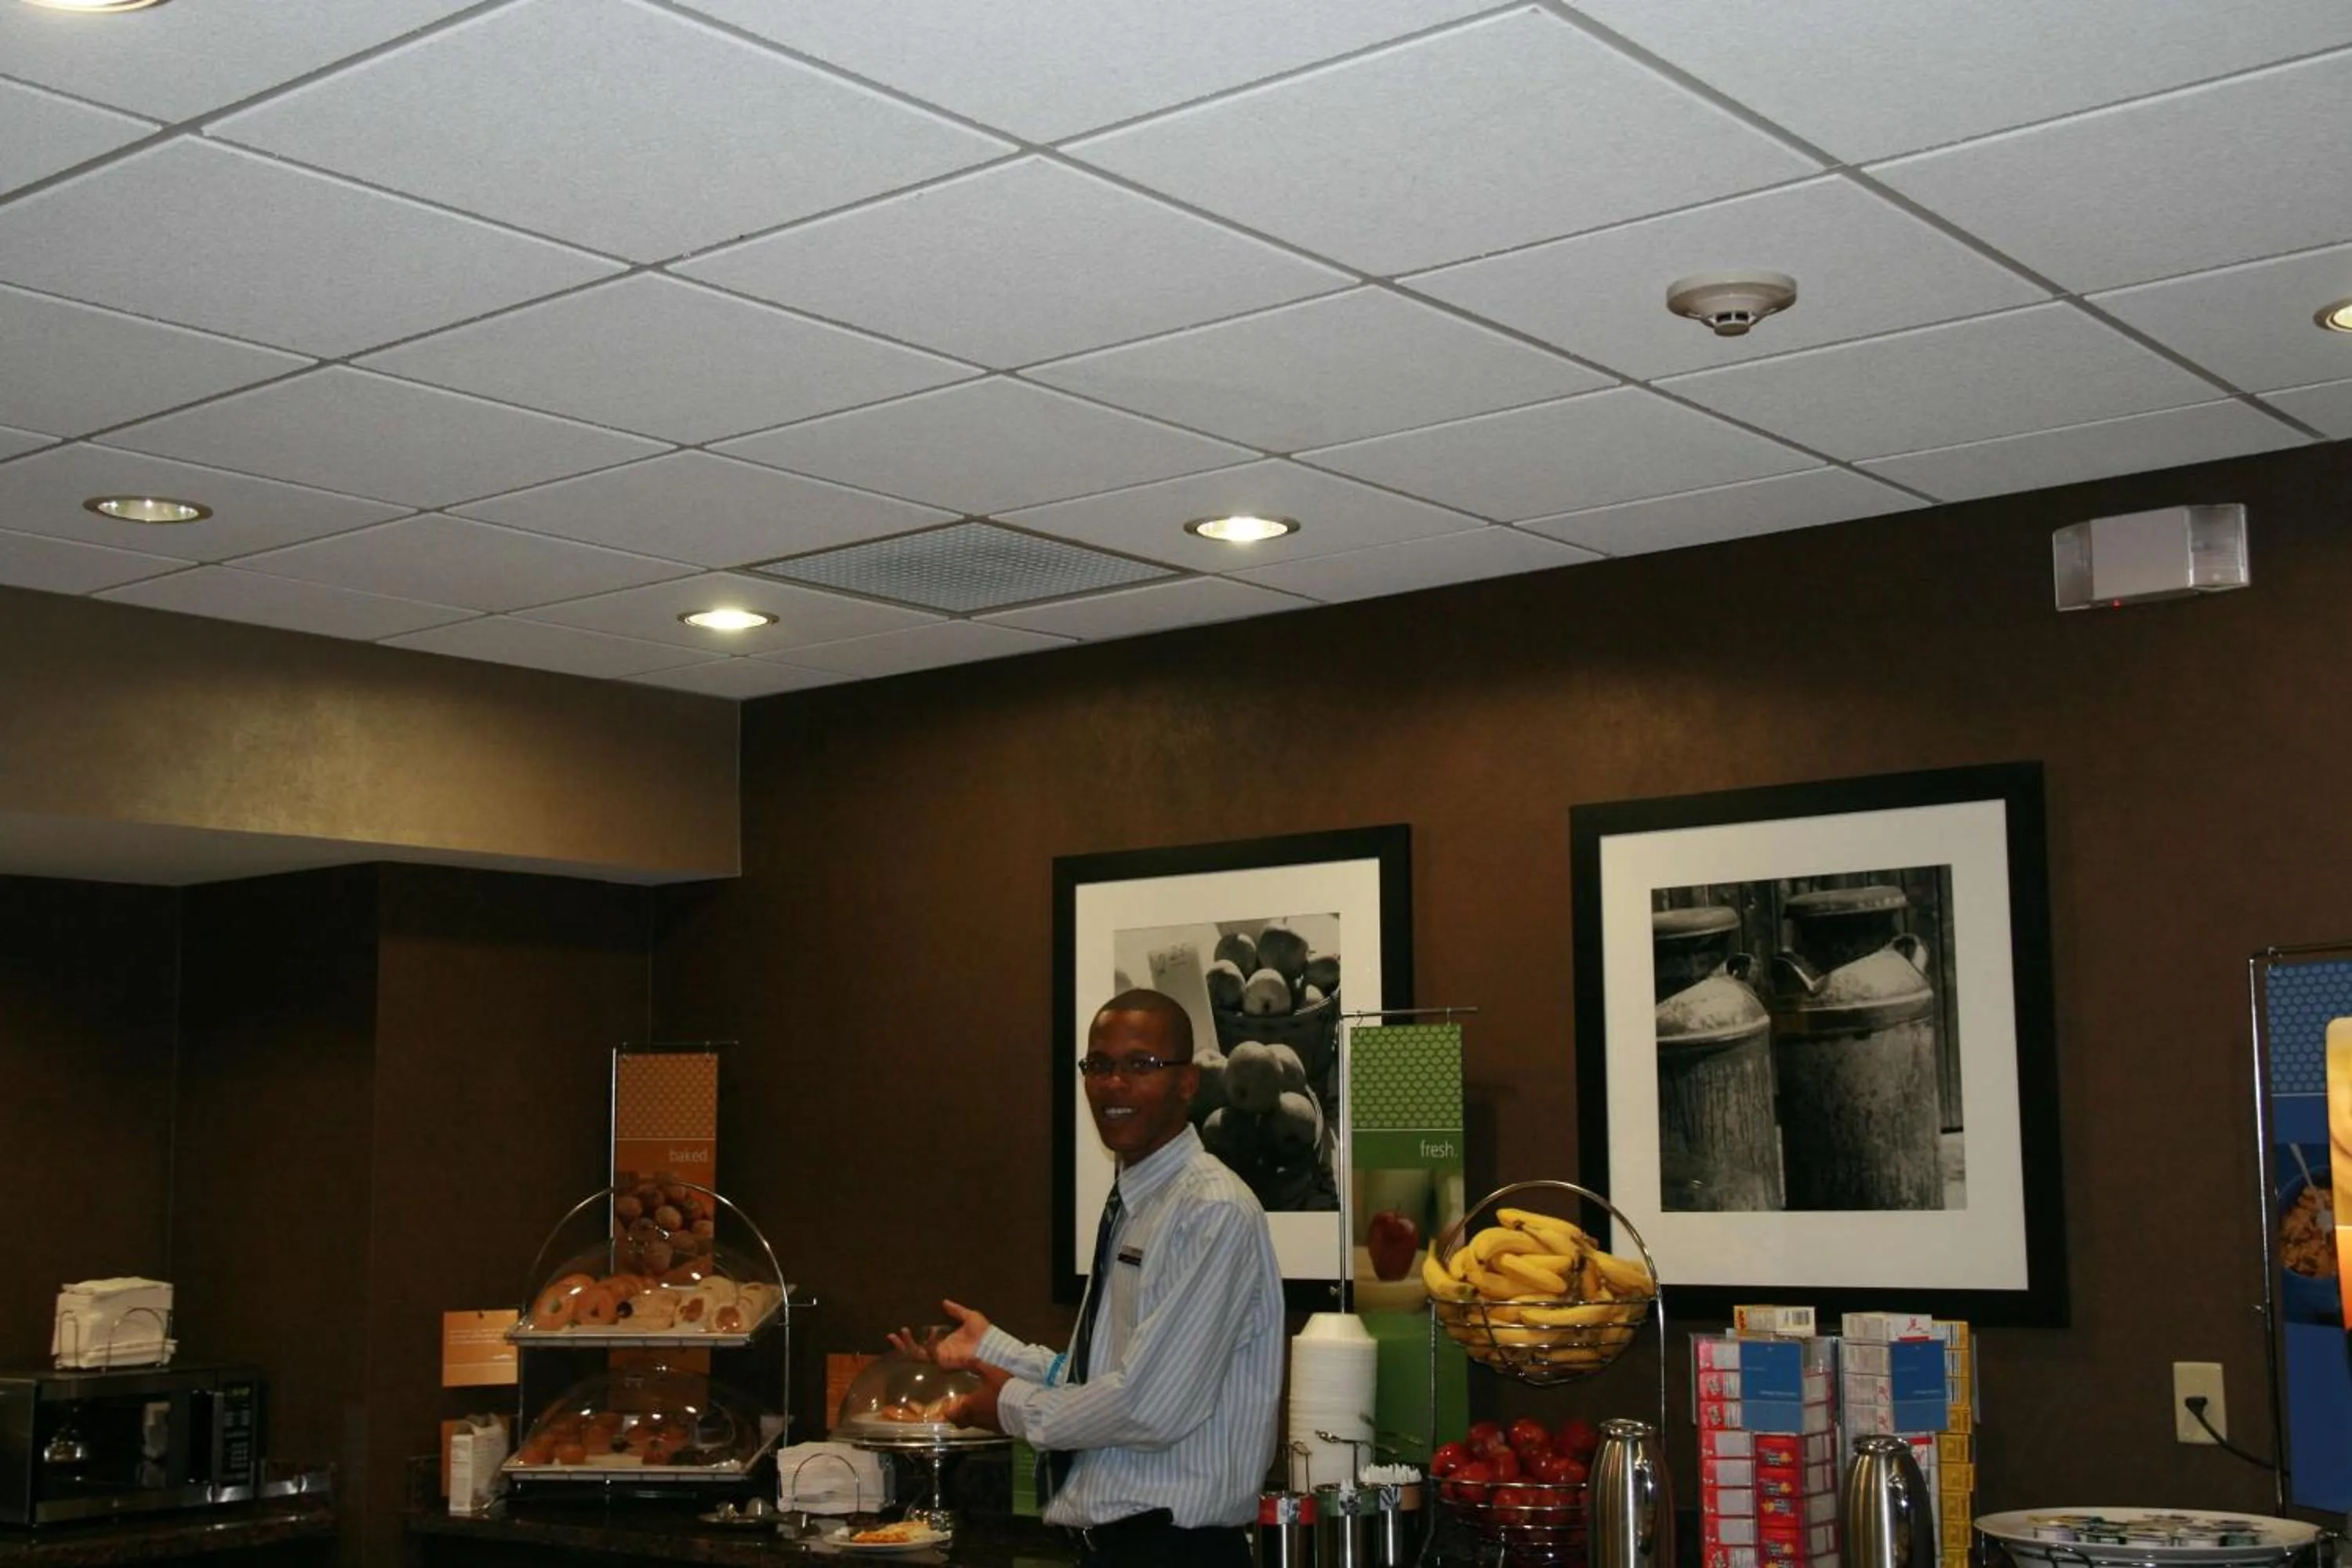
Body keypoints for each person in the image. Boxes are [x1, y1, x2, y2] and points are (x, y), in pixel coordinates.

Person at [893, 989, 1282, 1568]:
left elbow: (1151, 1406)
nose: (1114, 1084)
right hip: (1118, 1549)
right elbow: (1103, 1377)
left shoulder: (1212, 1210)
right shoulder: (1137, 1200)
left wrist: (1010, 1408)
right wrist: (991, 1348)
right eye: (1099, 1065)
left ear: (1188, 1083)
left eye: (1141, 1064)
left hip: (1177, 1551)